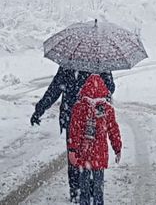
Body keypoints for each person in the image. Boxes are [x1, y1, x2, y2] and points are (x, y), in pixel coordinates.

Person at [30, 68, 115, 202]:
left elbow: (55, 89)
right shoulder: (99, 64)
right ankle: (89, 190)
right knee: (92, 156)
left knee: (74, 156)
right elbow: (110, 87)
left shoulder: (69, 64)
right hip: (94, 121)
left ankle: (77, 192)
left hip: (74, 120)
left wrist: (40, 109)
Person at [68, 74, 122, 205]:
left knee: (84, 187)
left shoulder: (79, 108)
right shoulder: (107, 109)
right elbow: (113, 130)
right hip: (99, 154)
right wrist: (117, 148)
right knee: (98, 188)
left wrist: (72, 150)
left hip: (83, 153)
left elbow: (74, 131)